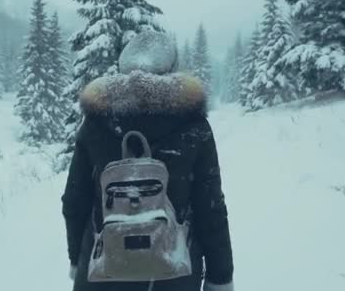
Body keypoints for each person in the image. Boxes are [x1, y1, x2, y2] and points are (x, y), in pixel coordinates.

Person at [62, 31, 234, 291]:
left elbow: (75, 200)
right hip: (174, 273)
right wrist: (220, 276)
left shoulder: (96, 122)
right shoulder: (194, 125)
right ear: (173, 68)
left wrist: (77, 259)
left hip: (103, 271)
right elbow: (211, 208)